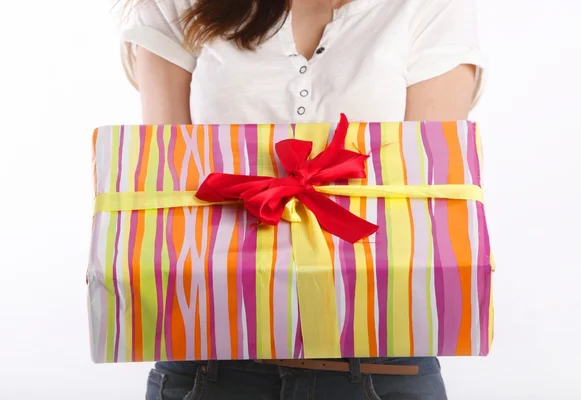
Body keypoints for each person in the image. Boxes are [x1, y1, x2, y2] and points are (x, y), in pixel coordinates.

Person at [117, 0, 486, 398]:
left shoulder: (429, 7)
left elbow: (426, 187)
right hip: (213, 360)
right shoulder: (176, 5)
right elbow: (168, 186)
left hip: (382, 359)